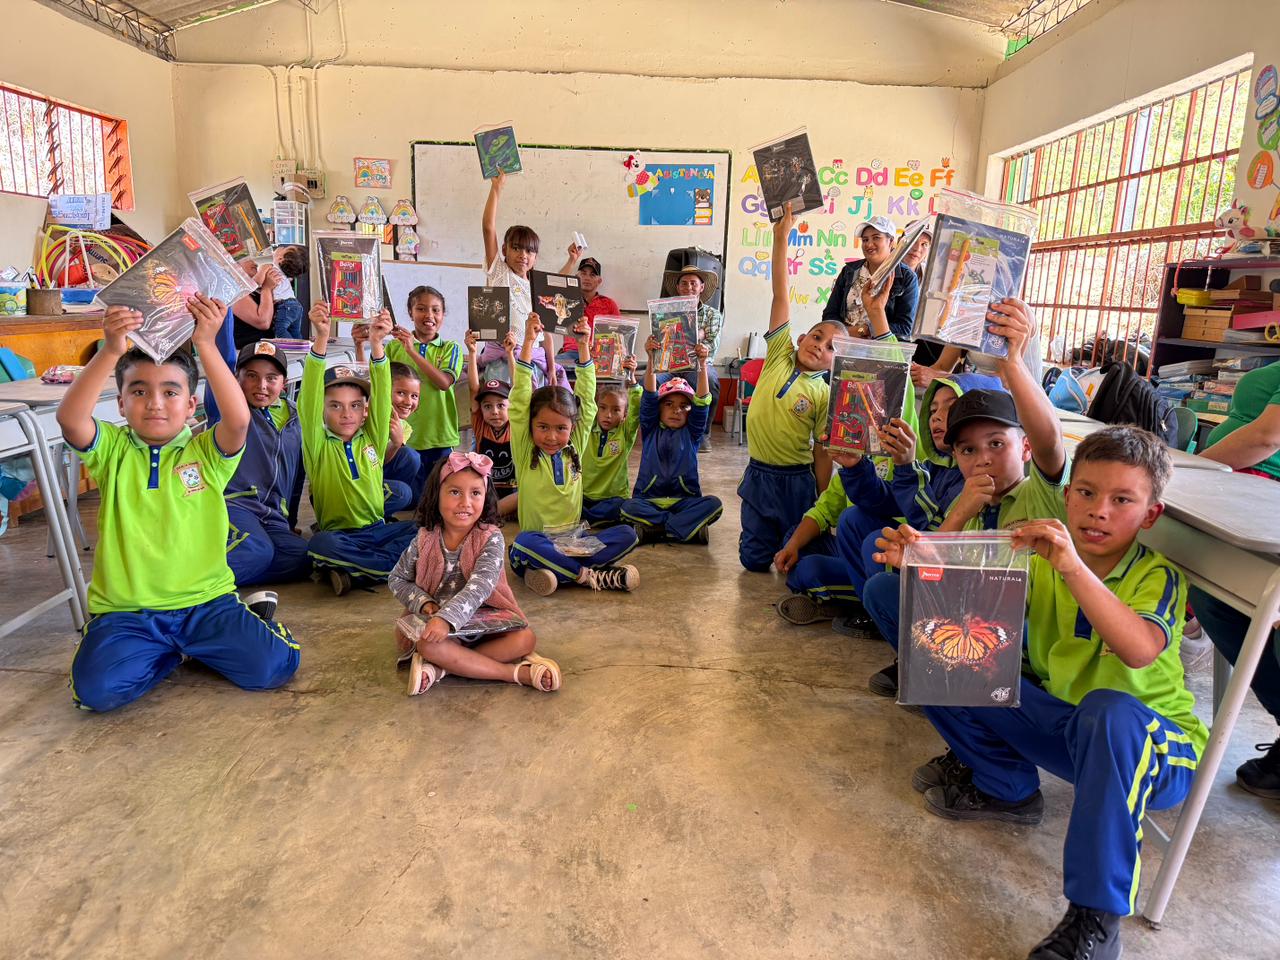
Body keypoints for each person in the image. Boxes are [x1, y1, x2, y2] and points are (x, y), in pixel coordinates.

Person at [871, 427, 1204, 960]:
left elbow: (1140, 648)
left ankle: (1094, 918)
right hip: (1064, 727)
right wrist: (923, 555)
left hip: (1154, 750)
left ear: (1149, 516)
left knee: (1111, 712)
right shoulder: (1038, 554)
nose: (1099, 511)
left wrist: (1070, 567)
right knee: (932, 634)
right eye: (1088, 493)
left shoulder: (1154, 576)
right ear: (1068, 494)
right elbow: (965, 602)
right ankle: (1004, 783)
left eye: (1122, 500)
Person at [57, 296, 299, 712]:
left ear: (190, 405)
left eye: (170, 391)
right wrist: (112, 349)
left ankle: (246, 624)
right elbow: (70, 419)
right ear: (120, 404)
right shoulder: (112, 450)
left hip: (206, 604)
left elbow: (238, 420)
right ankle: (173, 651)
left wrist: (206, 343)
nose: (154, 402)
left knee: (274, 667)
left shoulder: (206, 452)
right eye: (139, 391)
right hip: (127, 613)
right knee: (95, 693)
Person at [861, 298, 1064, 697]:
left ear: (1024, 449)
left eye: (996, 443)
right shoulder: (969, 502)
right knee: (886, 589)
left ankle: (983, 689)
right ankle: (943, 678)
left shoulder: (1041, 493)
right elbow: (929, 576)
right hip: (976, 631)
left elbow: (1050, 440)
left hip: (1028, 643)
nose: (983, 458)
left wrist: (1012, 362)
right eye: (968, 450)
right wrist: (960, 513)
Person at [388, 452, 560, 696]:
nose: (465, 502)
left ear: (485, 497)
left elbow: (480, 587)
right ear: (436, 494)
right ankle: (512, 674)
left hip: (487, 627)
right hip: (442, 634)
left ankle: (441, 670)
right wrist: (424, 602)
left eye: (475, 493)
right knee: (429, 645)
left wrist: (448, 617)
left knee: (526, 639)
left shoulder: (491, 538)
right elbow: (397, 579)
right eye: (455, 492)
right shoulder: (424, 538)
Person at [1192, 359, 1280, 798]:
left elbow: (1268, 437)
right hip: (1247, 498)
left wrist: (1185, 471)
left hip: (1268, 510)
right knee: (1213, 600)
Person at [738, 202, 841, 572]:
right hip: (758, 474)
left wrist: (823, 495)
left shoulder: (825, 393)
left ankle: (816, 548)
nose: (820, 346)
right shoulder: (780, 353)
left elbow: (824, 449)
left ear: (836, 362)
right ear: (800, 338)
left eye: (831, 348)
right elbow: (781, 295)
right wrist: (781, 237)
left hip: (796, 481)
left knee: (795, 560)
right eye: (817, 336)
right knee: (751, 562)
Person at [507, 316, 640, 595]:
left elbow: (588, 398)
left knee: (628, 534)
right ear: (530, 426)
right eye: (542, 427)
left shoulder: (575, 447)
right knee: (523, 543)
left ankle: (557, 572)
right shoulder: (525, 448)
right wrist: (529, 343)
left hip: (574, 544)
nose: (552, 437)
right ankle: (589, 576)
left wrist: (583, 346)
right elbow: (519, 400)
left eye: (561, 428)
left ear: (573, 427)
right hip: (537, 544)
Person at [302, 303, 416, 596]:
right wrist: (322, 338)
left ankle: (355, 573)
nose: (346, 414)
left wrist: (378, 343)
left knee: (424, 531)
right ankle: (392, 571)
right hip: (339, 535)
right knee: (319, 546)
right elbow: (309, 399)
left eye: (355, 406)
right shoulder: (318, 445)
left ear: (365, 410)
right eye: (335, 406)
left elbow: (381, 395)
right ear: (323, 411)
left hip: (377, 529)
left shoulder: (372, 438)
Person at [223, 340, 309, 590]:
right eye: (251, 376)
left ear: (283, 384)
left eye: (271, 378)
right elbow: (221, 355)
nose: (261, 385)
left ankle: (223, 579)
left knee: (302, 556)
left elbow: (297, 477)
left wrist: (290, 522)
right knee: (257, 550)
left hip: (273, 513)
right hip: (235, 504)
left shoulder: (296, 418)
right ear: (236, 379)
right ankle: (186, 591)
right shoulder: (231, 413)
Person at [622, 342, 723, 544]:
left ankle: (657, 530)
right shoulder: (650, 429)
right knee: (626, 507)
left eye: (684, 406)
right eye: (669, 404)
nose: (676, 410)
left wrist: (702, 364)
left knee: (714, 504)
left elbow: (703, 401)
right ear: (659, 408)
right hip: (648, 500)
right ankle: (682, 528)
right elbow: (649, 396)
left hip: (685, 501)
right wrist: (651, 358)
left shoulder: (692, 433)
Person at [478, 172, 565, 387]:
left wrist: (552, 368)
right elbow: (488, 228)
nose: (523, 255)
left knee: (531, 415)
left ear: (535, 257)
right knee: (503, 415)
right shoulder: (499, 272)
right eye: (516, 248)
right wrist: (496, 189)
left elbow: (545, 337)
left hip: (534, 363)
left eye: (529, 251)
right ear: (505, 249)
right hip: (501, 363)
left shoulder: (536, 288)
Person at [384, 284, 465, 500]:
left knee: (437, 500)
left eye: (436, 310)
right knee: (409, 500)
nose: (429, 315)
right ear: (410, 312)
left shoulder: (451, 348)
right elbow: (377, 384)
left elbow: (444, 382)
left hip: (439, 437)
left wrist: (412, 349)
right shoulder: (393, 348)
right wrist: (362, 344)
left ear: (443, 315)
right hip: (404, 438)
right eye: (421, 309)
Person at [658, 263, 725, 448]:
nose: (689, 287)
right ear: (678, 288)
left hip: (699, 366)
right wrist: (699, 334)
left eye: (694, 283)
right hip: (670, 366)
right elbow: (663, 341)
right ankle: (657, 431)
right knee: (647, 384)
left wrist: (693, 338)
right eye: (684, 283)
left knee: (710, 381)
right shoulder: (665, 312)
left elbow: (711, 345)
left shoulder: (713, 315)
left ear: (701, 287)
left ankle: (703, 434)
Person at [822, 215, 919, 340]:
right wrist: (843, 333)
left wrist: (865, 330)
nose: (869, 244)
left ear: (891, 242)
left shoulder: (906, 277)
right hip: (842, 343)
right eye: (865, 240)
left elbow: (905, 328)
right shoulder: (849, 271)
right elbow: (830, 314)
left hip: (880, 349)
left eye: (876, 238)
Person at [465, 329, 519, 517]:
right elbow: (474, 389)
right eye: (487, 406)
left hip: (513, 491)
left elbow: (518, 389)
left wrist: (510, 353)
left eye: (500, 405)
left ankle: (491, 515)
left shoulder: (516, 425)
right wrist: (472, 353)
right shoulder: (481, 424)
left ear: (510, 406)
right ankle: (491, 514)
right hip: (487, 490)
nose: (494, 411)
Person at [582, 358, 641, 526]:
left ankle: (591, 519)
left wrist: (633, 380)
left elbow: (636, 409)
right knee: (565, 500)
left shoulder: (626, 432)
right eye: (603, 408)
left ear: (624, 415)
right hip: (584, 496)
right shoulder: (587, 428)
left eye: (616, 410)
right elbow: (585, 399)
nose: (608, 415)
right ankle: (597, 519)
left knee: (626, 506)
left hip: (613, 498)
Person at [555, 251, 620, 368]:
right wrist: (572, 259)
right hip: (571, 354)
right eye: (583, 273)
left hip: (600, 356)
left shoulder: (609, 304)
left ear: (599, 281)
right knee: (550, 367)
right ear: (576, 277)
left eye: (592, 275)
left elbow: (619, 337)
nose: (587, 278)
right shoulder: (566, 300)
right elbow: (555, 285)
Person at [381, 361, 423, 516]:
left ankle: (382, 514)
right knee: (404, 492)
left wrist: (396, 443)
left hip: (376, 475)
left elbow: (383, 462)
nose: (408, 402)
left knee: (410, 457)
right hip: (356, 480)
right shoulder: (369, 417)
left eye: (414, 396)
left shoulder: (404, 427)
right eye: (401, 393)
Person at [231, 259, 280, 351]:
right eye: (248, 259)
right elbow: (263, 322)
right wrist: (267, 288)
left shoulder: (254, 291)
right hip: (247, 351)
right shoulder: (234, 290)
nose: (255, 264)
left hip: (264, 349)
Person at [269, 245, 307, 339]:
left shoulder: (273, 268)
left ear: (280, 258)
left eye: (283, 249)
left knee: (280, 329)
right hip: (296, 305)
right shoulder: (285, 274)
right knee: (295, 332)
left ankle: (289, 348)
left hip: (285, 305)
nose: (280, 247)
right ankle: (301, 349)